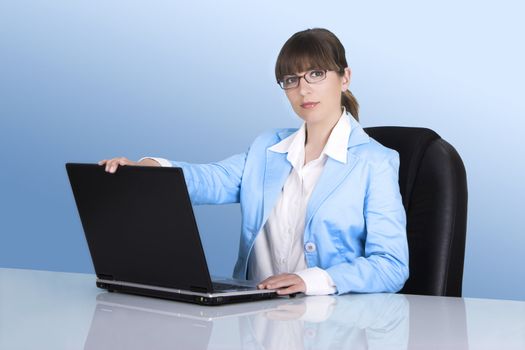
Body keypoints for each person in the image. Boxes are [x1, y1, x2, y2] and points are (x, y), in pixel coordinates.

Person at [98, 28, 409, 296]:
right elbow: (212, 179)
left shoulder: (375, 162)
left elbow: (391, 266)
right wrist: (147, 170)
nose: (303, 89)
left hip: (330, 324)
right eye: (291, 79)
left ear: (345, 78)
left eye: (316, 74)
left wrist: (308, 281)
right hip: (255, 317)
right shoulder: (267, 148)